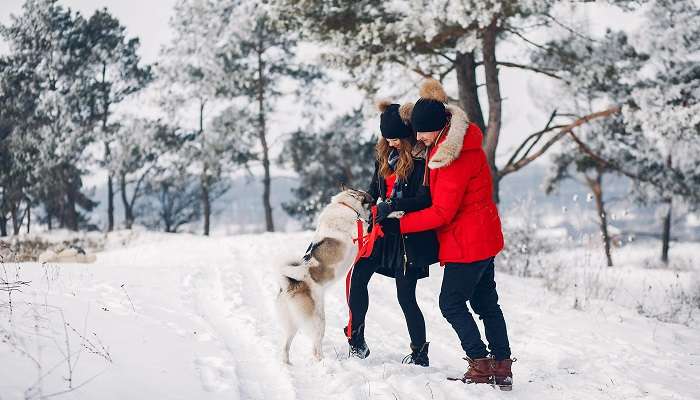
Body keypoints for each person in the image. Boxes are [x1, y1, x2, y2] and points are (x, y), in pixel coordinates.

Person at [378, 79, 514, 390]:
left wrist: (400, 224)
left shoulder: (451, 158)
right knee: (486, 303)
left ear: (437, 128)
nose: (418, 137)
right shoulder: (457, 143)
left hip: (467, 240)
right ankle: (502, 366)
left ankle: (480, 363)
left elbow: (443, 212)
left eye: (422, 132)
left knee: (450, 303)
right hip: (482, 236)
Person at [345, 100, 439, 366]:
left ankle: (420, 353)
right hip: (381, 233)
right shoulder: (384, 156)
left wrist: (393, 206)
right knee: (358, 278)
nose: (392, 142)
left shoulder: (422, 160)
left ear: (407, 135)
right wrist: (360, 199)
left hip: (407, 237)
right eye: (387, 138)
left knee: (405, 296)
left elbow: (424, 200)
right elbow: (375, 190)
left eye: (396, 138)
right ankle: (356, 340)